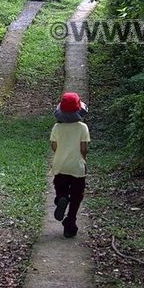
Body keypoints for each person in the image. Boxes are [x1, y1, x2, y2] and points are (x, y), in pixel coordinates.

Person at [49, 92, 90, 238]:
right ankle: (70, 223)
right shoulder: (83, 128)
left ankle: (61, 197)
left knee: (61, 189)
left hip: (60, 165)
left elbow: (54, 147)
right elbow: (84, 149)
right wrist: (83, 159)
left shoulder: (56, 128)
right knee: (77, 195)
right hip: (77, 167)